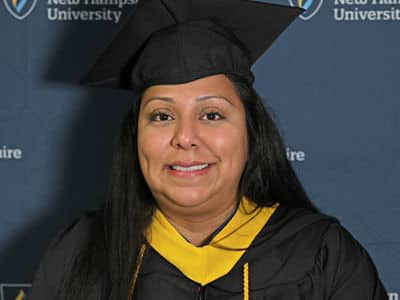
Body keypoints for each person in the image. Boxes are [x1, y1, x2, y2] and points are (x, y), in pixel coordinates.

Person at [28, 0, 388, 299]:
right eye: (162, 115)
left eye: (212, 114)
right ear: (134, 136)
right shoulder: (80, 252)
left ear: (250, 131)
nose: (185, 136)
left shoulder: (322, 254)